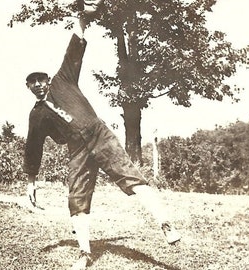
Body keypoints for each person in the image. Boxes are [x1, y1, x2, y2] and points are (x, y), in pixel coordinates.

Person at [23, 13, 181, 270]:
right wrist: (30, 183)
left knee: (133, 178)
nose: (38, 84)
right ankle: (85, 253)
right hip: (77, 151)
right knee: (77, 199)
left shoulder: (63, 79)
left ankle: (165, 223)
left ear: (48, 79)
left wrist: (82, 17)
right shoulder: (36, 115)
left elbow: (75, 46)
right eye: (33, 82)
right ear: (28, 87)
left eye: (41, 79)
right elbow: (33, 148)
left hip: (99, 135)